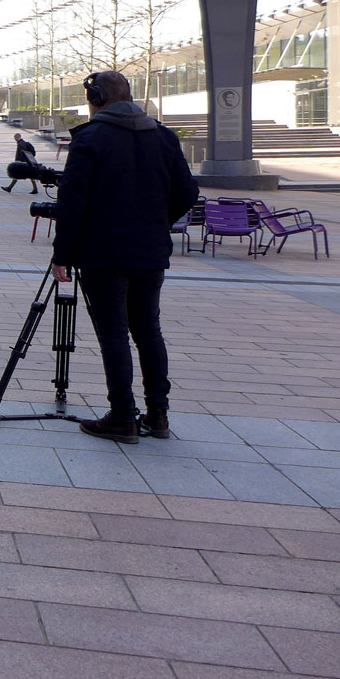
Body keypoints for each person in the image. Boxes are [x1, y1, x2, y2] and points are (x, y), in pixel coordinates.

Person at [52, 70, 199, 444]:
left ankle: (121, 417)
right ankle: (158, 415)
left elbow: (72, 203)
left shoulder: (90, 139)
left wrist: (62, 256)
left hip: (103, 254)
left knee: (114, 334)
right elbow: (187, 192)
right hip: (150, 252)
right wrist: (156, 223)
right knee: (148, 331)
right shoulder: (163, 136)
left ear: (97, 97)